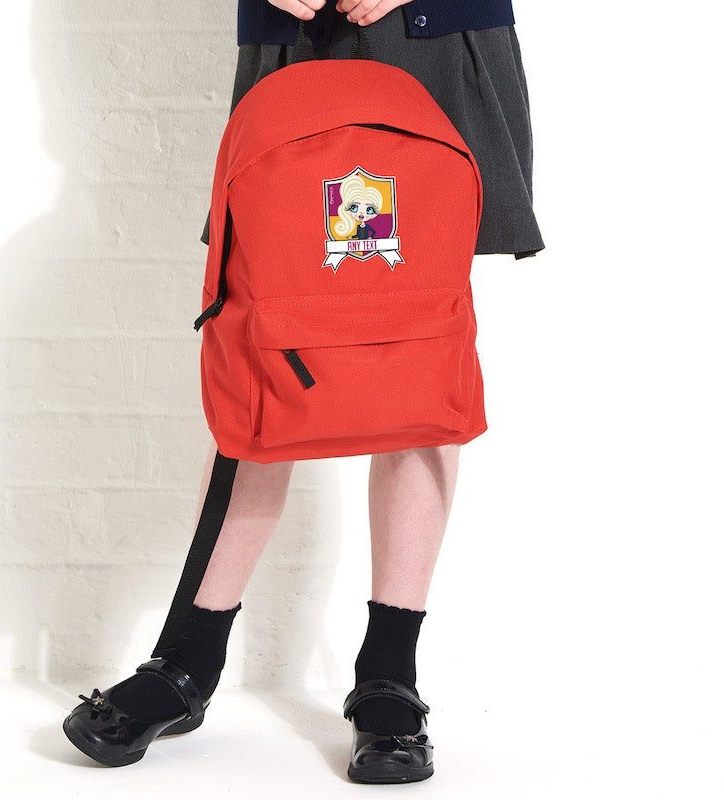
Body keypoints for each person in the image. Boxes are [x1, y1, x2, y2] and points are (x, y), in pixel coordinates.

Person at [62, 0, 544, 783]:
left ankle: (389, 673)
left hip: (434, 40)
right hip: (299, 38)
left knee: (417, 350)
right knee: (264, 335)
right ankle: (189, 659)